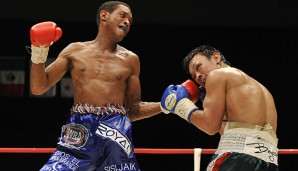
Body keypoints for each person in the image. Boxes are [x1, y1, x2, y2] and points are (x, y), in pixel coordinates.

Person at [30, 1, 161, 170]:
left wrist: (166, 106)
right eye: (122, 15)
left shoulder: (131, 60)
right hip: (79, 129)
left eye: (130, 20)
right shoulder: (74, 50)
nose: (127, 22)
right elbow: (38, 87)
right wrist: (39, 51)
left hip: (116, 129)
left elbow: (133, 110)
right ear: (104, 15)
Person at [160, 45, 279, 171]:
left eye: (198, 67)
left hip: (236, 158)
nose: (198, 76)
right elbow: (233, 130)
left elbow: (210, 126)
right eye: (194, 76)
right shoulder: (261, 88)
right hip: (269, 162)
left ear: (216, 57)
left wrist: (181, 105)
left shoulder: (217, 75)